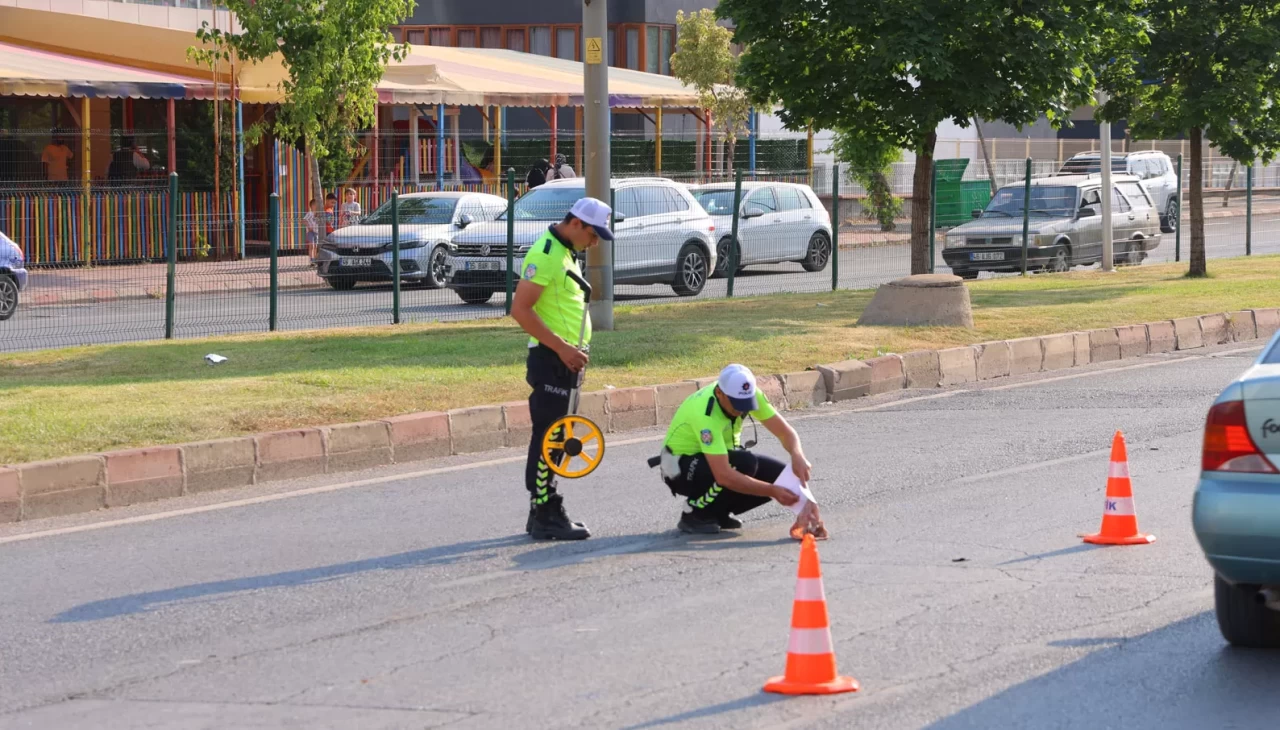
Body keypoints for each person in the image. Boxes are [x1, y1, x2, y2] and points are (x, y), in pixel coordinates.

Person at [510, 197, 614, 540]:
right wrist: (563, 348)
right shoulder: (547, 254)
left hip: (565, 360)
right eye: (593, 233)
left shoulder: (565, 251)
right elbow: (521, 310)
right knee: (549, 437)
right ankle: (545, 513)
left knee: (558, 436)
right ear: (576, 224)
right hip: (551, 360)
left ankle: (540, 511)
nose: (595, 241)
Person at [655, 363, 811, 535]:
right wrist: (772, 491)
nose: (741, 409)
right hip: (678, 468)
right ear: (720, 393)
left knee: (782, 476)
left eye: (746, 403)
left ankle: (717, 512)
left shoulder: (749, 394)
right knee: (745, 464)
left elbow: (785, 432)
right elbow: (724, 475)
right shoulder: (705, 412)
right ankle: (695, 514)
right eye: (736, 404)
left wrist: (797, 455)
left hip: (716, 460)